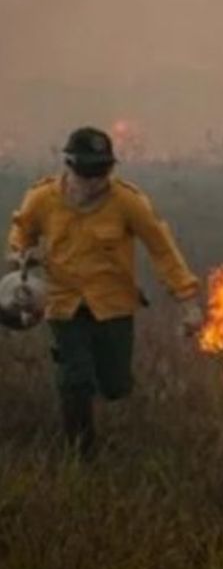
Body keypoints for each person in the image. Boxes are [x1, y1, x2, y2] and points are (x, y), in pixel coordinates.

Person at [7, 126, 203, 454]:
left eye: (102, 171)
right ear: (68, 165)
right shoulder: (42, 199)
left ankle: (96, 395)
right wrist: (21, 256)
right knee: (75, 379)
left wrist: (188, 302)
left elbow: (162, 249)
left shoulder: (127, 201)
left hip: (113, 306)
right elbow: (20, 235)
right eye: (87, 172)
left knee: (115, 386)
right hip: (62, 303)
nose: (95, 181)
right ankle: (81, 455)